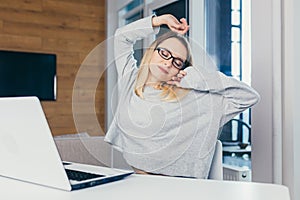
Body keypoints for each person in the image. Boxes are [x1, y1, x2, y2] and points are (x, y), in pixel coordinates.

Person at [104, 14, 260, 179]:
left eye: (177, 62)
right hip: (137, 182)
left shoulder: (198, 101)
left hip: (179, 189)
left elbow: (249, 96)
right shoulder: (130, 80)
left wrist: (195, 77)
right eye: (164, 53)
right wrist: (161, 21)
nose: (168, 62)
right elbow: (121, 37)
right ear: (152, 51)